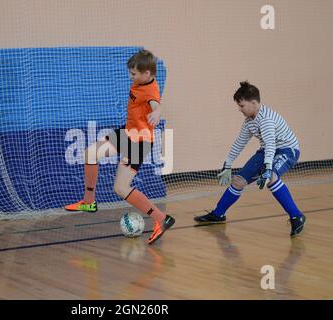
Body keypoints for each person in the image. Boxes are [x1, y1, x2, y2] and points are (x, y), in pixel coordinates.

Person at [65, 49, 175, 244]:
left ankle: (161, 218)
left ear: (147, 74)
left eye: (133, 74)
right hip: (128, 133)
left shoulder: (150, 90)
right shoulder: (141, 80)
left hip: (139, 143)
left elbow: (155, 103)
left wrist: (158, 112)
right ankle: (89, 201)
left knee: (121, 188)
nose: (130, 77)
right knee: (90, 153)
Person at [194, 81, 306, 237]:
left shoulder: (266, 119)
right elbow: (239, 143)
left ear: (254, 103)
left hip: (287, 150)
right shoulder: (249, 121)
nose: (239, 110)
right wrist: (227, 164)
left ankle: (296, 216)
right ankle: (218, 214)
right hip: (267, 150)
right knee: (238, 181)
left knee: (272, 177)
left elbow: (270, 144)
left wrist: (267, 168)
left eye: (242, 106)